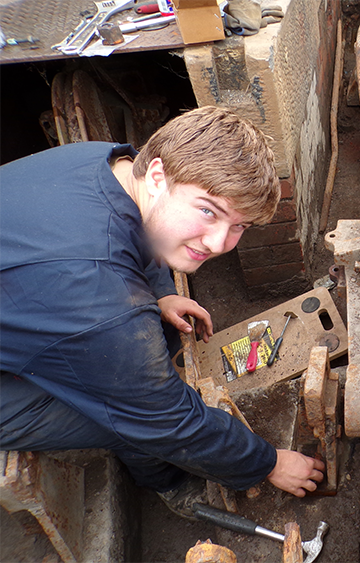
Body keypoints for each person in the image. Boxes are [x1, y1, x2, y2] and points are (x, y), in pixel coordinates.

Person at [0, 106, 324, 518]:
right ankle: (171, 486)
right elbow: (168, 420)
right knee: (121, 418)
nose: (219, 242)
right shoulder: (99, 300)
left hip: (29, 291)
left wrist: (160, 292)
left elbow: (133, 228)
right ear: (157, 176)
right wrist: (269, 462)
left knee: (144, 348)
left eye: (239, 225)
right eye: (208, 211)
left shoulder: (109, 162)